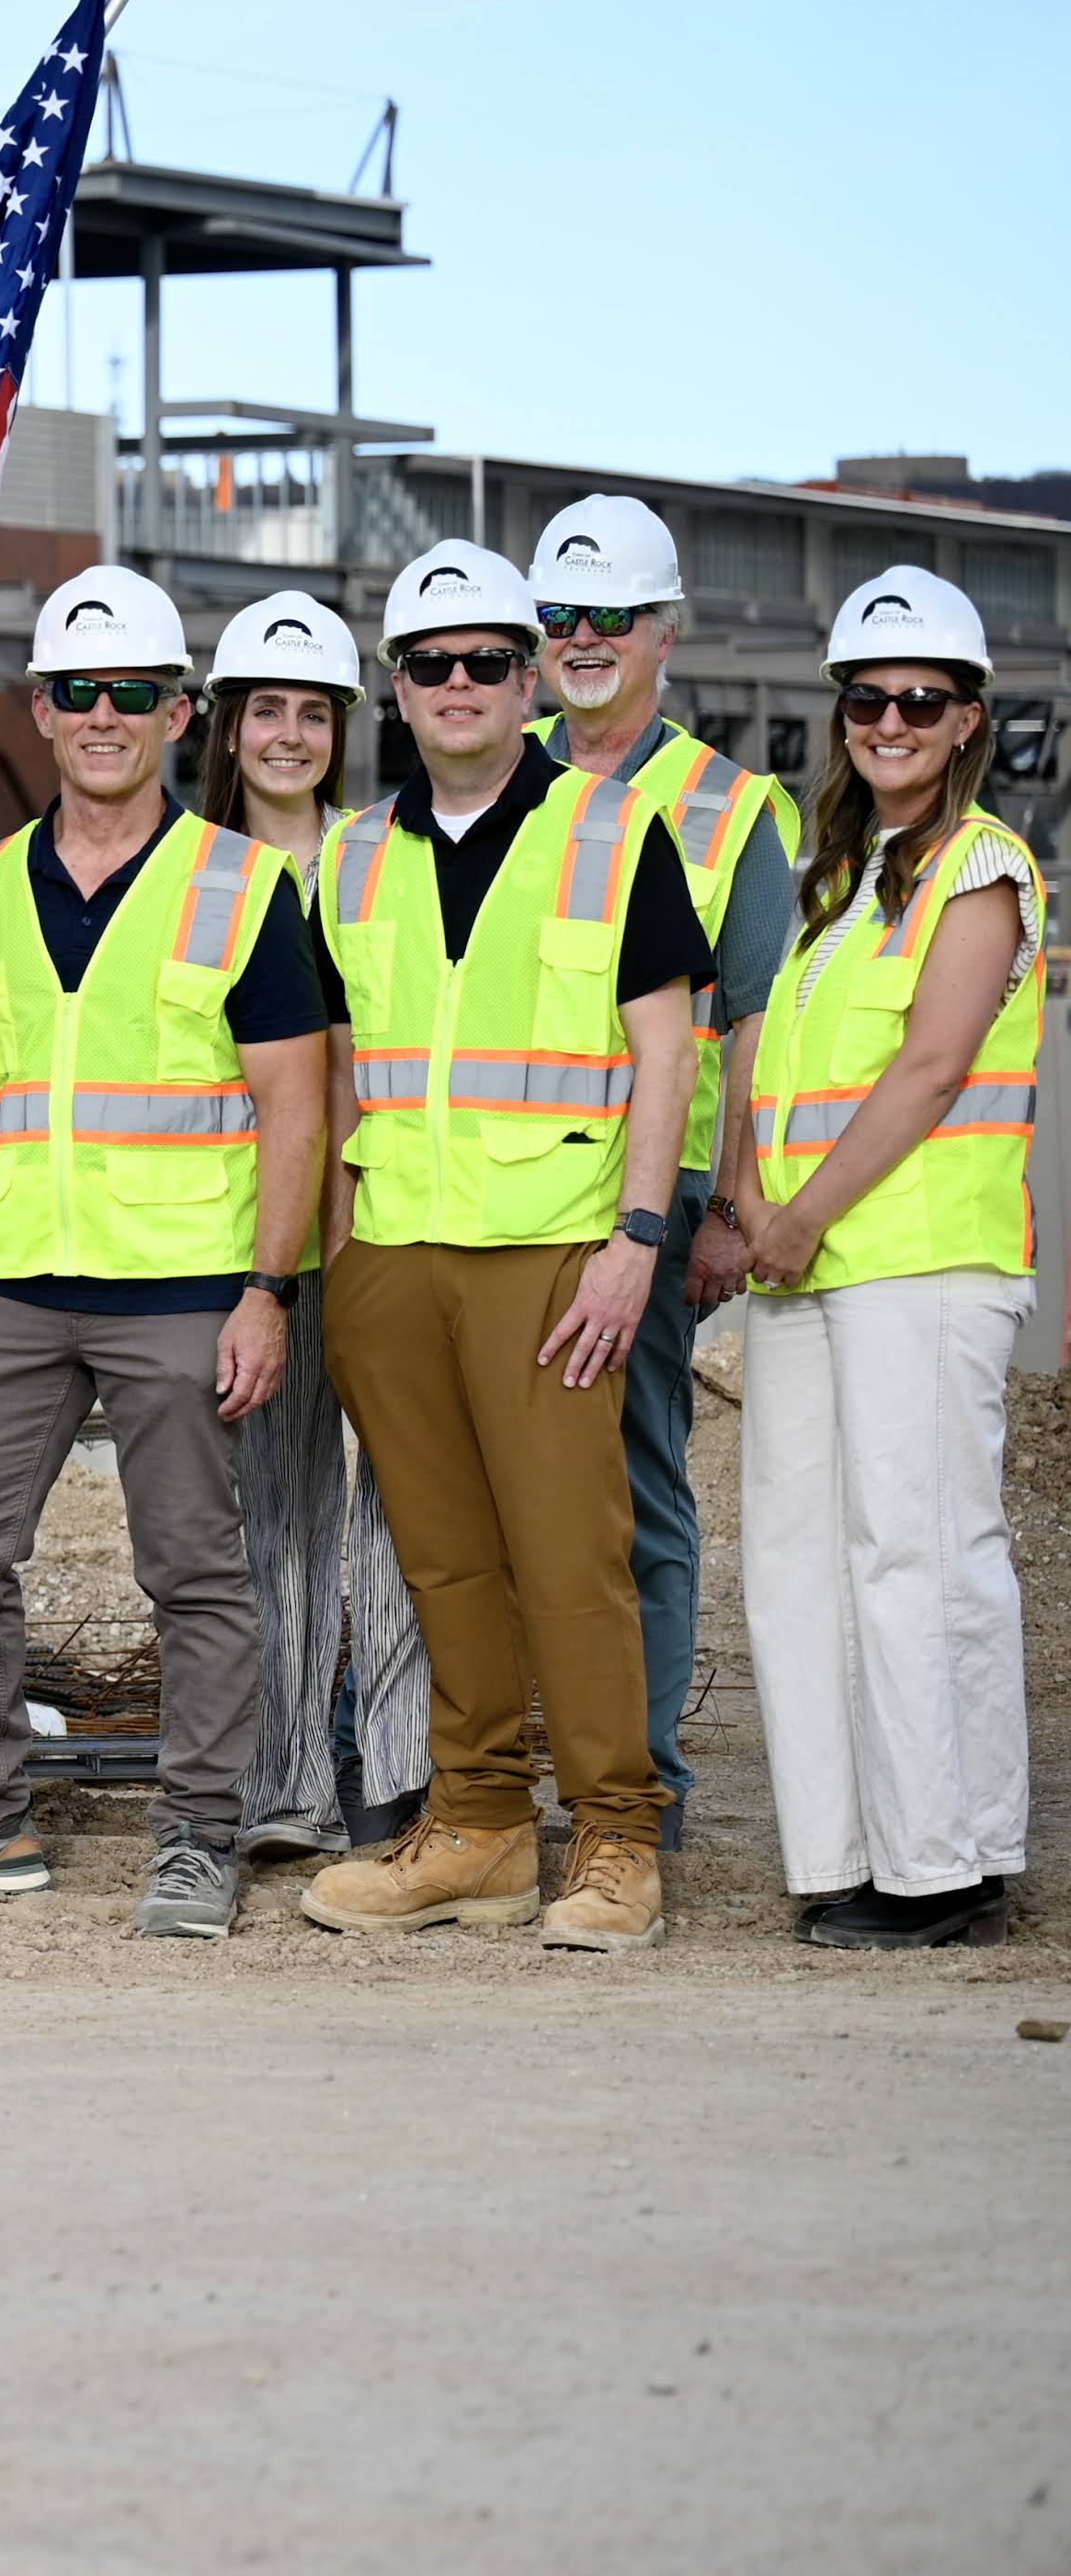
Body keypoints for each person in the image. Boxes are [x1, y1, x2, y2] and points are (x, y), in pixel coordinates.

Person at [0, 567, 330, 1942]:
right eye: (78, 693)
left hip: (182, 1282)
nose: (104, 717)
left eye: (133, 695)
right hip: (15, 1275)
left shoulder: (244, 885)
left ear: (177, 712)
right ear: (37, 710)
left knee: (193, 1574)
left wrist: (268, 1291)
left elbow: (295, 1105)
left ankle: (198, 1839)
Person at [297, 541, 708, 1952]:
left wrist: (636, 1239)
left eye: (486, 660)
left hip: (554, 1256)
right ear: (395, 690)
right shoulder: (349, 855)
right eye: (430, 663)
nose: (458, 684)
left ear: (527, 678)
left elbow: (669, 1049)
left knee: (571, 1558)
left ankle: (614, 1840)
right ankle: (475, 1830)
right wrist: (344, 1266)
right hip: (396, 1256)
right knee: (445, 1560)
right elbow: (340, 1069)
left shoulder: (608, 828)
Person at [734, 567, 1037, 1951]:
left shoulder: (981, 866)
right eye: (868, 699)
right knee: (801, 1560)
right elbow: (777, 1067)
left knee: (916, 1557)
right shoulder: (837, 885)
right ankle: (844, 1852)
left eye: (922, 700)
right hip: (809, 1267)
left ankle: (948, 1862)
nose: (892, 721)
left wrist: (795, 1217)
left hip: (916, 1259)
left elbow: (926, 1071)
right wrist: (748, 1195)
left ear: (969, 719)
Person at [528, 498, 798, 1850]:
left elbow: (753, 1020)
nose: (583, 641)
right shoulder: (488, 765)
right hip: (500, 1188)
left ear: (665, 632)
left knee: (637, 1485)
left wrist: (732, 1206)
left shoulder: (727, 806)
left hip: (653, 1195)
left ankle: (641, 1784)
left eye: (609, 618)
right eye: (559, 619)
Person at [194, 590, 424, 1859]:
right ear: (228, 725)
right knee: (271, 1519)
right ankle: (281, 1783)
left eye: (311, 713)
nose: (287, 734)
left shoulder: (383, 856)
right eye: (265, 709)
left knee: (398, 1506)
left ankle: (393, 1773)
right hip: (247, 1247)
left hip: (381, 1225)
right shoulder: (185, 868)